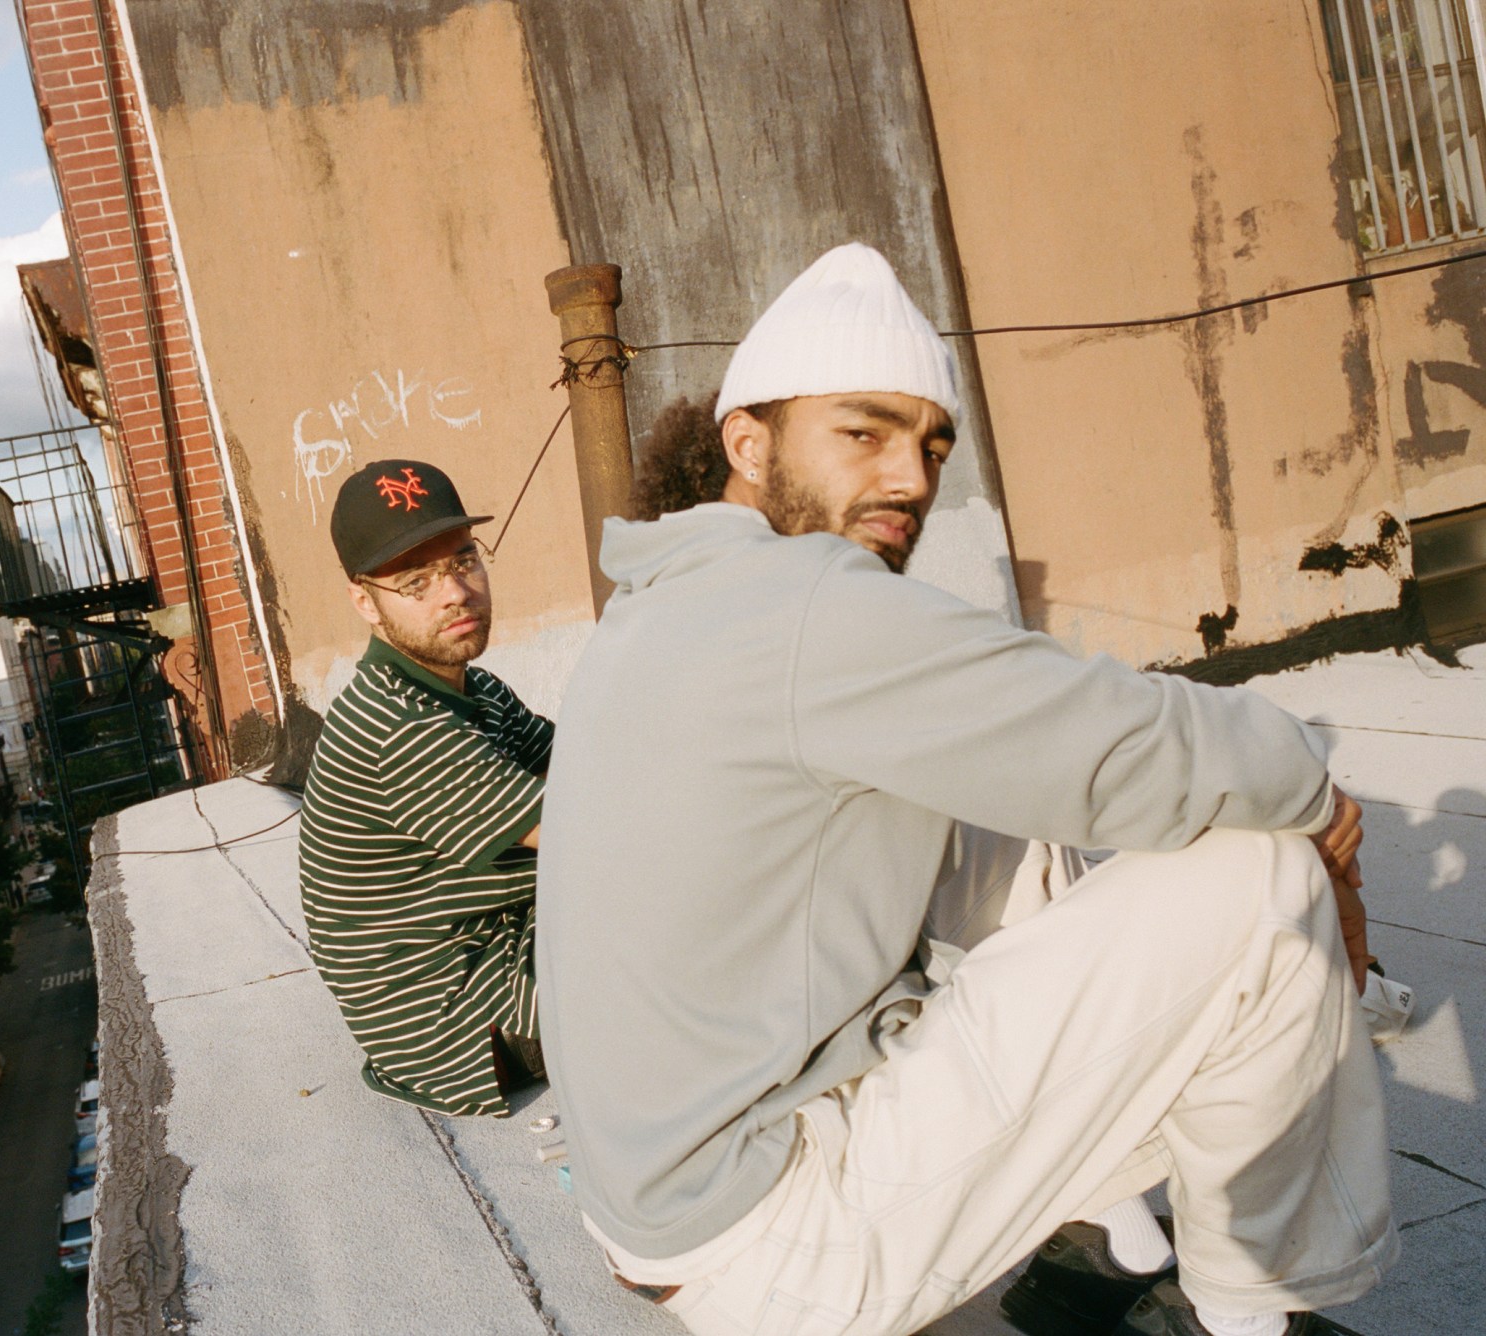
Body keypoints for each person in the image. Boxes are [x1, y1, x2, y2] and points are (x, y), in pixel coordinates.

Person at [536, 244, 1394, 1336]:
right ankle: (1249, 1317)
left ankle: (1102, 1239)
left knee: (1000, 820)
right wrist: (1319, 811)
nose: (908, 477)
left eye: (929, 443)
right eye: (861, 432)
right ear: (746, 442)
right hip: (770, 1235)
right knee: (1259, 882)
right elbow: (1125, 742)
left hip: (665, 1201)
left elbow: (1037, 752)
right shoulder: (803, 606)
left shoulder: (661, 601)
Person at [298, 458, 551, 1117]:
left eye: (463, 561)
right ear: (366, 603)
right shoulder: (397, 727)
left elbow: (596, 767)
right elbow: (594, 833)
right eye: (415, 581)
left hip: (504, 941)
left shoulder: (474, 691)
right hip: (470, 1019)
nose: (455, 593)